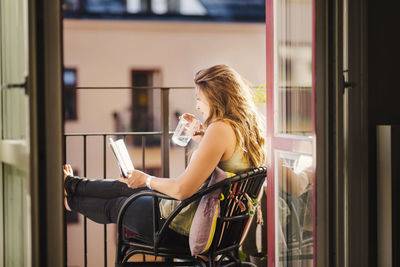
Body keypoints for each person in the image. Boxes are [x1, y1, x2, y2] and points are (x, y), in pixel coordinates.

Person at [64, 64, 266, 246]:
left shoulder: (220, 129)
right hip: (211, 222)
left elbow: (181, 190)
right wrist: (201, 137)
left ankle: (68, 199)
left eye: (199, 99)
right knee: (124, 187)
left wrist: (146, 179)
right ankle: (71, 184)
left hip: (180, 225)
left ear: (216, 98)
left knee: (117, 205)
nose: (197, 106)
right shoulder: (244, 128)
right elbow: (226, 158)